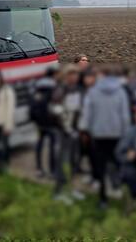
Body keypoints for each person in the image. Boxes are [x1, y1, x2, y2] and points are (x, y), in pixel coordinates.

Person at [79, 65, 132, 208]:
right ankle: (124, 193)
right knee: (120, 164)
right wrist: (126, 134)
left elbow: (87, 115)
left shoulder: (92, 92)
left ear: (101, 75)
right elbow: (125, 116)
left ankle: (103, 199)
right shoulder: (121, 92)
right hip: (117, 135)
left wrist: (85, 130)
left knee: (100, 167)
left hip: (98, 135)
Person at [52, 64, 85, 203]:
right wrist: (67, 128)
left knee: (74, 161)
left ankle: (71, 188)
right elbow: (56, 110)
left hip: (76, 131)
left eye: (76, 74)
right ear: (66, 76)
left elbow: (80, 109)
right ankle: (58, 192)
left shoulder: (78, 89)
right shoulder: (61, 89)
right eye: (71, 74)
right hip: (64, 132)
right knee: (63, 161)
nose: (74, 77)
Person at [29, 67, 59, 178]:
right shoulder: (55, 88)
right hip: (51, 123)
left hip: (39, 123)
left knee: (39, 145)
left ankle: (39, 169)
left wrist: (34, 119)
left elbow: (32, 105)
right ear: (54, 75)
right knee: (53, 146)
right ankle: (52, 171)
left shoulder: (36, 88)